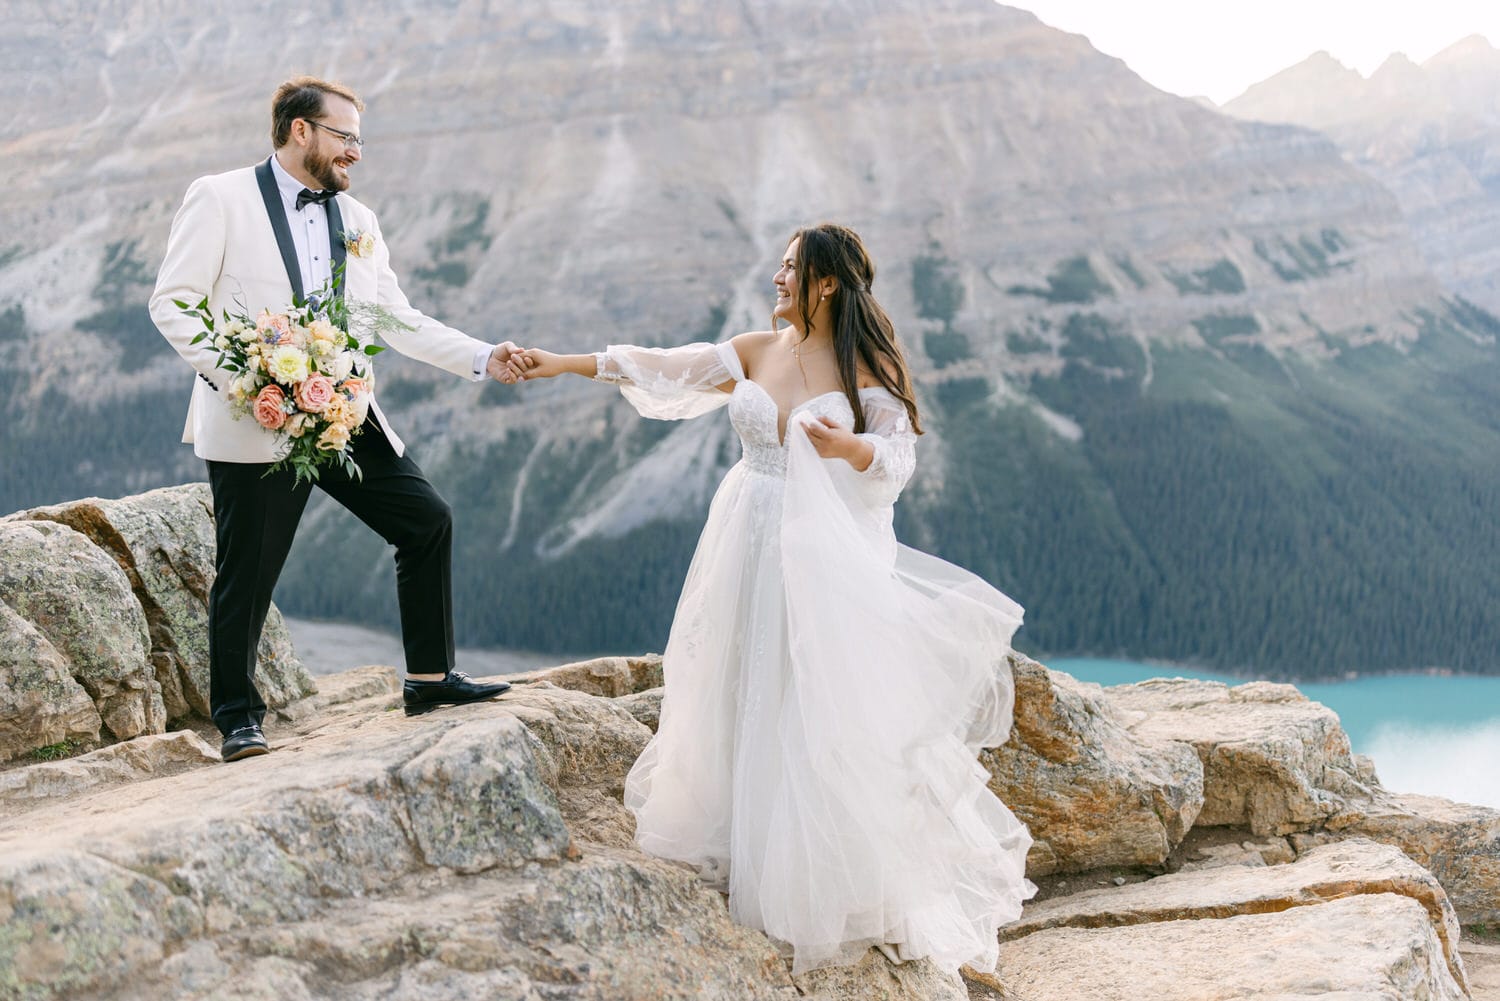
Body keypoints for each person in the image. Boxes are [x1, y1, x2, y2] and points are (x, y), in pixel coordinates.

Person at [508, 223, 1035, 975]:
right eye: (782, 266)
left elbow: (899, 456)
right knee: (732, 679)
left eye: (792, 269)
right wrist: (561, 363)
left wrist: (847, 448)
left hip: (821, 554)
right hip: (744, 533)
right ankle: (733, 839)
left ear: (826, 282)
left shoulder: (866, 363)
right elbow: (669, 367)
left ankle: (810, 877)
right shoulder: (758, 348)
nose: (778, 278)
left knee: (807, 694)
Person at [150, 77, 526, 763]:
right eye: (345, 136)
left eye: (359, 139)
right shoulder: (220, 196)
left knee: (426, 519)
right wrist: (250, 378)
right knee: (249, 572)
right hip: (257, 412)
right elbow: (173, 303)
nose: (356, 151)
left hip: (344, 412)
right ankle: (237, 717)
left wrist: (482, 356)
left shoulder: (360, 222)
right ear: (301, 131)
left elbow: (394, 319)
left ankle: (430, 679)